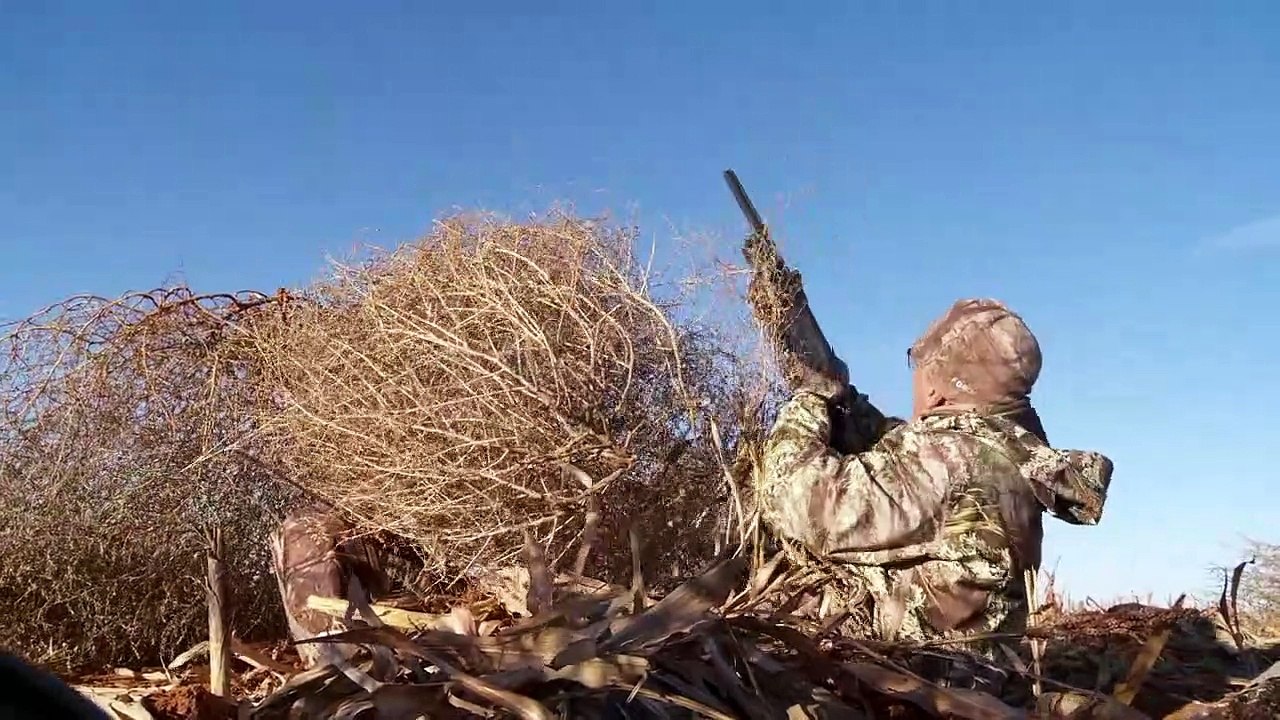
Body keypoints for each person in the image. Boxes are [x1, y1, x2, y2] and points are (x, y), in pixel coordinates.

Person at [757, 298, 1113, 653]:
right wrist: (848, 403)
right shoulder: (995, 453)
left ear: (935, 383)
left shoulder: (950, 462)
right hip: (976, 684)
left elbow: (793, 494)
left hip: (913, 684)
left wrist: (810, 400)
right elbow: (897, 447)